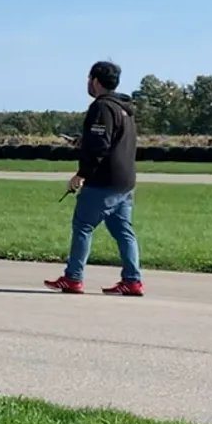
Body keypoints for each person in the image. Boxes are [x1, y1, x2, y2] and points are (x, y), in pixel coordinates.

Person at [48, 60, 143, 296]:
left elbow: (100, 145)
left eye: (89, 79)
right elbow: (111, 141)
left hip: (104, 181)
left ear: (96, 81)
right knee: (123, 231)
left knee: (83, 225)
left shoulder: (101, 108)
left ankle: (73, 277)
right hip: (125, 181)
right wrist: (84, 143)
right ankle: (132, 280)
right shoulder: (125, 109)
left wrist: (82, 174)